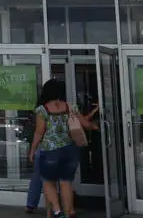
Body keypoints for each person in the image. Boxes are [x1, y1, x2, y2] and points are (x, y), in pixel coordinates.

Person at [27, 79, 97, 218]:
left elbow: (39, 132)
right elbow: (85, 124)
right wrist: (95, 126)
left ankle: (57, 210)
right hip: (70, 150)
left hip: (50, 151)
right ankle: (69, 211)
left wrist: (33, 150)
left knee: (47, 181)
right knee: (66, 183)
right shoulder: (70, 107)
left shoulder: (42, 110)